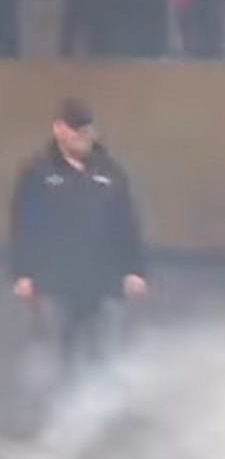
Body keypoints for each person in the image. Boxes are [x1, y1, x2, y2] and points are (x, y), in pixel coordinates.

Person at [10, 100, 147, 378]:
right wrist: (23, 273)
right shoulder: (39, 173)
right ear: (59, 129)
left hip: (102, 279)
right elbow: (24, 226)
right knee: (58, 352)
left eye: (87, 131)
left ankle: (99, 396)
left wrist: (135, 271)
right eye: (77, 131)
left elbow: (126, 224)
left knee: (102, 349)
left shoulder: (110, 172)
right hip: (54, 281)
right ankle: (59, 395)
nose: (84, 137)